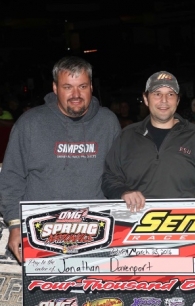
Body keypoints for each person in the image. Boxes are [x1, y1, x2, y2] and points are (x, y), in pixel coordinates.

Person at [0, 56, 121, 263]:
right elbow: (12, 176)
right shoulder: (30, 123)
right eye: (68, 87)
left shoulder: (108, 122)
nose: (76, 95)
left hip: (97, 235)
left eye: (82, 86)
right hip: (39, 234)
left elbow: (119, 174)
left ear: (91, 86)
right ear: (55, 88)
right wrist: (15, 224)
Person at [102, 71, 195, 212]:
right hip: (134, 227)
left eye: (170, 94)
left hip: (187, 226)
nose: (164, 100)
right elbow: (109, 177)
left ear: (178, 100)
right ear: (146, 98)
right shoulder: (127, 137)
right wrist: (123, 192)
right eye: (157, 94)